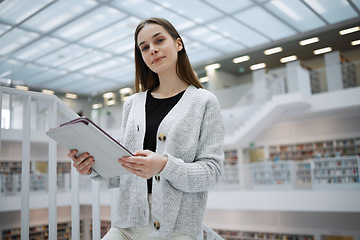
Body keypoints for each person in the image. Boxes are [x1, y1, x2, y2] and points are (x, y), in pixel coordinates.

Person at [68, 17, 225, 240]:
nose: (152, 50)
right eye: (144, 47)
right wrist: (92, 167)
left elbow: (212, 173)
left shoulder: (204, 102)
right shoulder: (133, 103)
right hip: (126, 227)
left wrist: (164, 167)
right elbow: (124, 171)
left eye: (159, 40)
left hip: (176, 230)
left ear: (178, 44)